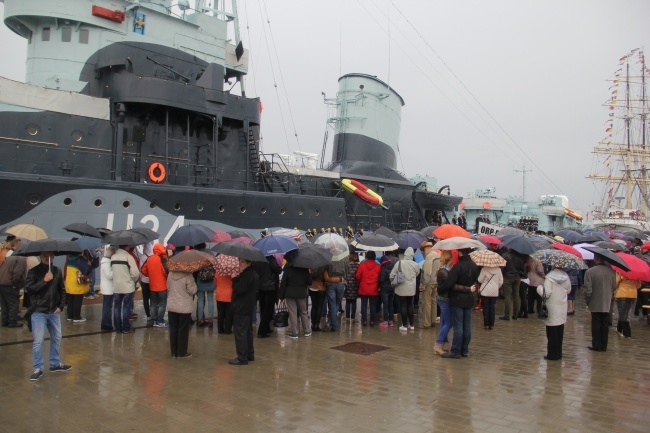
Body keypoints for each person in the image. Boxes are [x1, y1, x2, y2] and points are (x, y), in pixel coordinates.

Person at [25, 251, 71, 381]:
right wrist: (44, 280)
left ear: (53, 257)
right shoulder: (34, 271)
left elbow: (62, 290)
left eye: (50, 255)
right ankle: (38, 368)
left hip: (53, 312)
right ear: (40, 257)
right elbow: (29, 289)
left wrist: (61, 306)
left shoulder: (57, 271)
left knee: (57, 337)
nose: (47, 258)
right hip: (39, 311)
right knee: (38, 341)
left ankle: (55, 363)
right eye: (45, 255)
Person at [440, 248, 479, 359]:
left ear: (460, 252)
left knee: (458, 326)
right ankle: (464, 350)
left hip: (457, 299)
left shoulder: (458, 267)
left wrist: (440, 288)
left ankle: (455, 351)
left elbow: (449, 284)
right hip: (469, 299)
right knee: (467, 326)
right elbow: (476, 281)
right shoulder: (474, 265)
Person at [229, 258, 259, 365]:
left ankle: (242, 357)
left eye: (242, 262)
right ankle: (249, 354)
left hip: (241, 307)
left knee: (240, 332)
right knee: (247, 331)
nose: (239, 264)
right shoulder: (252, 273)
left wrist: (234, 279)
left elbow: (239, 290)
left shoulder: (248, 275)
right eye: (239, 262)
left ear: (248, 263)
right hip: (247, 307)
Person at [583, 255, 617, 352]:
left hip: (595, 300)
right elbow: (614, 286)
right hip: (606, 300)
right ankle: (604, 345)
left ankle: (596, 344)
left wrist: (587, 300)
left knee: (596, 323)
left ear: (595, 260)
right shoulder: (611, 272)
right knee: (604, 323)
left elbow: (587, 289)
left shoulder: (590, 272)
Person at [537, 267, 570, 361]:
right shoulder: (566, 277)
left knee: (551, 332)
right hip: (562, 307)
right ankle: (559, 353)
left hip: (552, 308)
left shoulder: (549, 278)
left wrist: (539, 288)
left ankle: (552, 354)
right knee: (560, 331)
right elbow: (569, 290)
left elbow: (546, 294)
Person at [279, 250, 312, 338]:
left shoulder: (287, 268)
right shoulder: (304, 268)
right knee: (303, 312)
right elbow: (310, 281)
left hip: (290, 293)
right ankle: (307, 331)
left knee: (292, 313)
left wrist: (281, 296)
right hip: (301, 293)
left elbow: (283, 283)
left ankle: (295, 333)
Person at [167, 269, 197, 358]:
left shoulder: (170, 274)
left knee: (173, 329)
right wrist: (194, 284)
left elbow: (168, 287)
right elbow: (192, 290)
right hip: (184, 307)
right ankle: (182, 352)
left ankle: (173, 352)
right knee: (183, 329)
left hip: (172, 305)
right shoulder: (188, 276)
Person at [390, 247, 421, 331]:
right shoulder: (415, 264)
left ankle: (404, 325)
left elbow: (392, 274)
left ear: (405, 254)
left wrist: (393, 280)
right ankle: (411, 325)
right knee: (410, 305)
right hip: (411, 288)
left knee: (403, 305)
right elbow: (417, 273)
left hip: (401, 288)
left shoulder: (400, 263)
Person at [111, 245, 140, 334]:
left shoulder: (113, 257)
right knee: (126, 307)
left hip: (116, 286)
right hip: (127, 286)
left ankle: (118, 328)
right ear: (126, 247)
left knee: (117, 307)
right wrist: (133, 280)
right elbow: (135, 273)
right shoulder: (128, 257)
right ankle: (126, 328)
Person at [434, 250, 457, 354]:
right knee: (449, 322)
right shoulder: (445, 271)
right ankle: (438, 344)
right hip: (445, 299)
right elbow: (449, 284)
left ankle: (444, 342)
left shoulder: (444, 270)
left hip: (442, 298)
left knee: (444, 322)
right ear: (449, 259)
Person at [141, 243, 169, 327]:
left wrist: (150, 275)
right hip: (162, 286)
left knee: (153, 303)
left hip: (152, 286)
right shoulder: (163, 259)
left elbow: (143, 270)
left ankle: (154, 320)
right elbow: (167, 272)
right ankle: (160, 320)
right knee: (162, 304)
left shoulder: (149, 259)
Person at [254, 255, 282, 338]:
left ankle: (266, 328)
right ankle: (262, 331)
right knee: (269, 309)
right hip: (270, 287)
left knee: (263, 308)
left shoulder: (258, 259)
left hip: (260, 287)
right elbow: (277, 270)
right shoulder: (271, 259)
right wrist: (279, 267)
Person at [64, 250, 93, 323]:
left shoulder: (69, 259)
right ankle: (76, 317)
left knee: (70, 300)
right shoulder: (81, 259)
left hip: (69, 283)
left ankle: (70, 316)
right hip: (77, 284)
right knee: (77, 301)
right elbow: (86, 271)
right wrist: (89, 265)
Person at [0, 254, 27, 328]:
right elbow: (18, 273)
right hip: (10, 284)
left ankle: (5, 321)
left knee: (4, 303)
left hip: (2, 283)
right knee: (14, 303)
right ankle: (12, 322)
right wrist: (16, 284)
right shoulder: (22, 259)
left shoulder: (9, 258)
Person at [355, 250, 381, 326]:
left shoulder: (362, 265)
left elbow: (358, 276)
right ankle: (372, 321)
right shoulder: (378, 266)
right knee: (373, 305)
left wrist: (360, 282)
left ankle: (364, 321)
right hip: (374, 287)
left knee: (364, 305)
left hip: (363, 287)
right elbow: (379, 277)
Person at [500, 248, 525, 321]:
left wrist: (503, 275)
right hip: (517, 277)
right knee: (516, 295)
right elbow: (522, 268)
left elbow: (502, 267)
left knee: (507, 296)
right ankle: (515, 314)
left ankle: (507, 315)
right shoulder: (520, 256)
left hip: (507, 277)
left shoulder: (505, 255)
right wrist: (520, 276)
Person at [324, 255, 348, 332]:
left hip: (330, 283)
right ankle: (332, 324)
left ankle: (333, 325)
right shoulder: (343, 257)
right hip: (341, 282)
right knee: (337, 303)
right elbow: (347, 270)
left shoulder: (328, 257)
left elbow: (325, 270)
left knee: (332, 304)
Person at [419, 241, 440, 329]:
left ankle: (426, 323)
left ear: (427, 248)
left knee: (426, 303)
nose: (424, 252)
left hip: (429, 283)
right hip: (436, 282)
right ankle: (433, 321)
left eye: (424, 250)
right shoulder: (438, 255)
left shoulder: (429, 257)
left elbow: (427, 272)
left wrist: (424, 284)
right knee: (434, 302)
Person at [614, 272, 640, 338]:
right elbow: (638, 285)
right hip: (633, 294)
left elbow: (616, 282)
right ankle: (619, 329)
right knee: (627, 313)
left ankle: (627, 333)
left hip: (622, 294)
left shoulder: (620, 271)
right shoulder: (636, 272)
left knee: (622, 314)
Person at [478, 262, 503, 330]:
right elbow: (501, 281)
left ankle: (486, 325)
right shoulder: (498, 269)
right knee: (492, 307)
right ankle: (491, 325)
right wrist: (496, 286)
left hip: (485, 291)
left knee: (486, 307)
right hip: (494, 291)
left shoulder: (484, 269)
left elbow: (480, 280)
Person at [137, 241, 155, 322]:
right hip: (152, 280)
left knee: (145, 299)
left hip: (144, 281)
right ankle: (153, 314)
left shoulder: (142, 257)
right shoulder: (154, 257)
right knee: (153, 298)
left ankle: (148, 315)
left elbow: (140, 270)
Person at [99, 246, 115, 331]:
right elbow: (109, 275)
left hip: (107, 288)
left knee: (107, 306)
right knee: (107, 307)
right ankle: (106, 324)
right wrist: (115, 270)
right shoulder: (106, 262)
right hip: (108, 288)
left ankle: (106, 323)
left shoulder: (105, 262)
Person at [378, 255, 396, 327]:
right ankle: (391, 321)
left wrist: (379, 279)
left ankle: (385, 322)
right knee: (391, 305)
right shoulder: (393, 268)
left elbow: (381, 280)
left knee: (385, 305)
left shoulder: (384, 269)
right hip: (392, 288)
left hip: (385, 289)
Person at [309, 266, 327, 332]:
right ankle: (316, 325)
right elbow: (326, 278)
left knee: (314, 306)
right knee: (319, 307)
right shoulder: (323, 268)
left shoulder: (312, 267)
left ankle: (312, 324)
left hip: (312, 287)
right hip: (321, 288)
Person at [344, 250, 360, 321]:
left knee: (348, 301)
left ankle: (347, 317)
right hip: (355, 285)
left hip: (347, 285)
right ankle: (353, 317)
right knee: (354, 302)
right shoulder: (357, 266)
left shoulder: (346, 264)